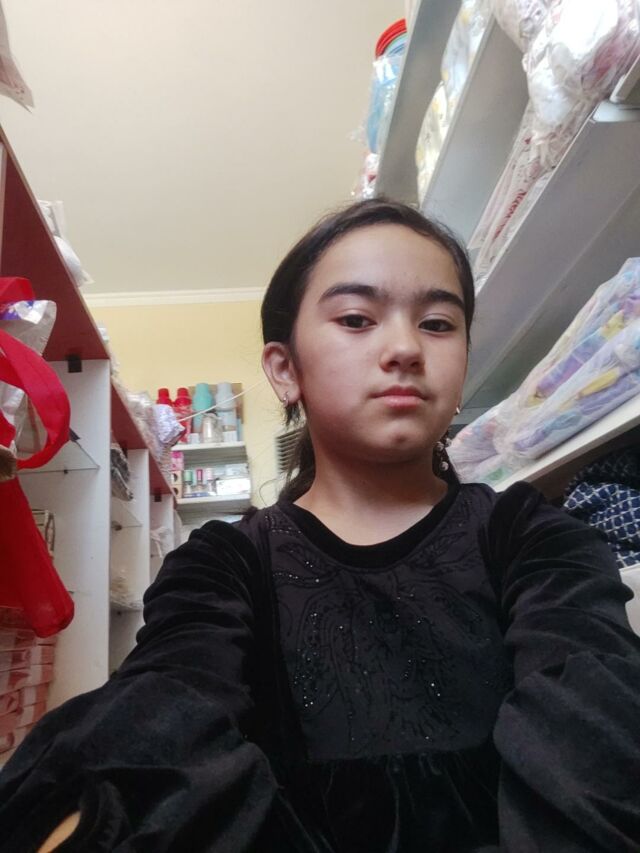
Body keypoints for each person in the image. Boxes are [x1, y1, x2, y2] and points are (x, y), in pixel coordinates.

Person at [1, 198, 640, 852]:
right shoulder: (224, 561)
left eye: (438, 323)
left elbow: (592, 712)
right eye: (357, 319)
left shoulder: (532, 534)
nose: (405, 348)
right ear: (285, 370)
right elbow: (169, 693)